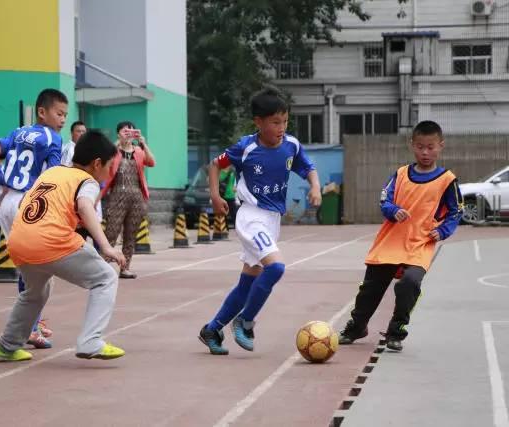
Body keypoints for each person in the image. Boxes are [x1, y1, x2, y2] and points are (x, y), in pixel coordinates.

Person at [198, 86, 321, 355]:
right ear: (259, 122)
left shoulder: (291, 145)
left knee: (247, 283)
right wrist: (216, 197)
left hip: (272, 220)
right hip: (251, 217)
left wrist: (315, 187)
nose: (281, 127)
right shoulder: (246, 147)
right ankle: (245, 320)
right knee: (275, 268)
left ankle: (212, 329)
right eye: (275, 122)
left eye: (285, 121)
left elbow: (309, 167)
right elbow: (216, 164)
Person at [0, 130, 127, 362]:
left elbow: (27, 201)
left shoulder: (52, 172)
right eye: (110, 166)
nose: (110, 172)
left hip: (19, 240)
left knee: (36, 292)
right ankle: (91, 341)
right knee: (106, 277)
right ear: (97, 163)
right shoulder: (87, 181)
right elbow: (85, 207)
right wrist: (107, 247)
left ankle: (6, 345)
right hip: (51, 240)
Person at [338, 120, 463, 352]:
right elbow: (384, 200)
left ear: (440, 146)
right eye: (420, 147)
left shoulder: (447, 180)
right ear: (412, 145)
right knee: (370, 289)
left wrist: (443, 231)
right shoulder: (400, 174)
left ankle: (396, 331)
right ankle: (357, 326)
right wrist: (393, 210)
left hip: (420, 244)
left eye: (430, 147)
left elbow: (457, 211)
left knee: (410, 283)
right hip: (390, 242)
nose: (425, 152)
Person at [0, 88, 68, 349]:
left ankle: (32, 323)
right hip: (28, 204)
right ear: (42, 112)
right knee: (40, 270)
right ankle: (30, 326)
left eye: (65, 115)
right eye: (59, 113)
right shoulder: (53, 138)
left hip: (5, 203)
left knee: (28, 267)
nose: (62, 119)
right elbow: (52, 176)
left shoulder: (18, 132)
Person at [101, 121, 155, 279]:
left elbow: (151, 162)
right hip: (117, 194)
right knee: (111, 232)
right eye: (125, 132)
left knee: (130, 235)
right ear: (118, 133)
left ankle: (125, 268)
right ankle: (102, 268)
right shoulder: (114, 151)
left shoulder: (138, 151)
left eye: (131, 132)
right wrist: (119, 143)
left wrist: (144, 144)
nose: (129, 135)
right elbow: (104, 158)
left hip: (136, 196)